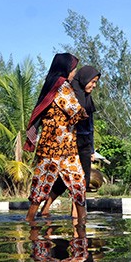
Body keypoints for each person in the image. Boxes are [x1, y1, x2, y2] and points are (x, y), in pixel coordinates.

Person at [25, 53, 88, 225]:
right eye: (73, 68)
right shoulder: (62, 88)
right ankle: (82, 223)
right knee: (77, 185)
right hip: (59, 148)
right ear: (66, 68)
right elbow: (77, 112)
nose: (74, 72)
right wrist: (84, 102)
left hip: (56, 148)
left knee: (43, 187)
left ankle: (30, 221)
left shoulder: (51, 86)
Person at [40, 66, 100, 219]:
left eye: (95, 83)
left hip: (85, 145)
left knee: (83, 181)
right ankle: (49, 210)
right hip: (69, 144)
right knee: (64, 181)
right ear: (85, 79)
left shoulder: (88, 99)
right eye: (92, 82)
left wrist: (92, 149)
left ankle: (76, 216)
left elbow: (90, 126)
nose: (93, 86)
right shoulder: (69, 95)